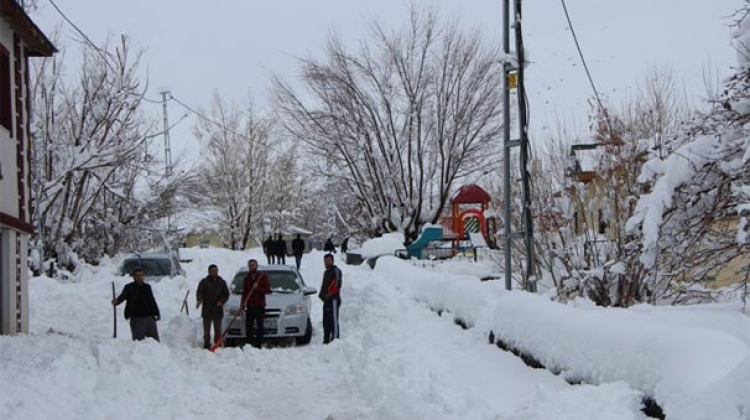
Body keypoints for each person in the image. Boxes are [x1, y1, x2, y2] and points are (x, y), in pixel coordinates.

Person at [111, 267, 161, 341]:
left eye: (141, 275)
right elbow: (122, 297)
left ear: (143, 275)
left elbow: (152, 301)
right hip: (137, 319)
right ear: (133, 277)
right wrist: (117, 301)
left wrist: (156, 312)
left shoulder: (147, 287)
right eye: (137, 275)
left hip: (150, 318)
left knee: (154, 342)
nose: (139, 277)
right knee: (138, 342)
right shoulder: (129, 287)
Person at [196, 264, 230, 349]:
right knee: (206, 330)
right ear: (209, 271)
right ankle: (206, 344)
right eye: (213, 271)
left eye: (216, 270)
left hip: (217, 309)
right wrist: (200, 300)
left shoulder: (221, 282)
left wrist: (221, 301)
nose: (215, 272)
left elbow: (226, 294)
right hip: (207, 309)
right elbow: (200, 292)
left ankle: (217, 344)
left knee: (218, 330)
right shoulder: (204, 282)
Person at [241, 259, 271, 348]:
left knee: (259, 326)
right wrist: (242, 304)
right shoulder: (246, 278)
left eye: (253, 265)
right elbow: (245, 292)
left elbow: (268, 290)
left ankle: (258, 344)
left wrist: (258, 288)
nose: (251, 267)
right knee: (248, 326)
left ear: (256, 266)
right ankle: (249, 344)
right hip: (250, 305)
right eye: (250, 265)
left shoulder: (262, 277)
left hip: (259, 305)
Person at [318, 253, 342, 344]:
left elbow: (337, 285)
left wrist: (329, 294)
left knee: (333, 321)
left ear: (332, 261)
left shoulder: (336, 271)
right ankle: (326, 339)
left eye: (329, 260)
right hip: (326, 301)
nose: (327, 262)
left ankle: (335, 341)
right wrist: (322, 295)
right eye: (325, 261)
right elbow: (324, 285)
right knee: (326, 321)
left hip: (333, 300)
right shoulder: (326, 272)